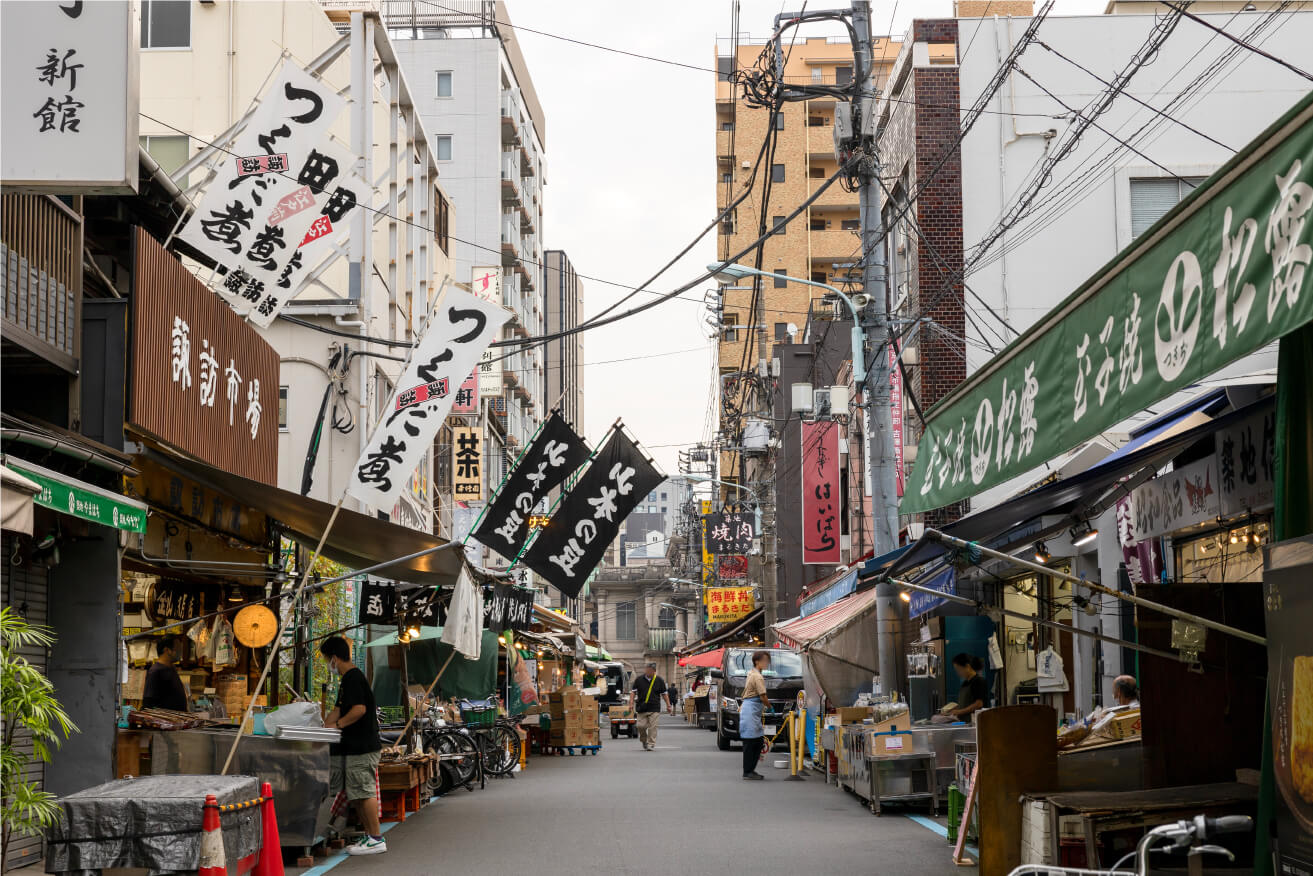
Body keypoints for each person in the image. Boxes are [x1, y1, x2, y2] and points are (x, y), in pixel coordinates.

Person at [320, 636, 385, 856]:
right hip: (354, 747)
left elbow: (359, 710)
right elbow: (339, 708)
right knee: (356, 793)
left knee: (364, 792)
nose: (327, 664)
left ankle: (376, 838)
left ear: (335, 658)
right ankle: (370, 836)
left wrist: (336, 725)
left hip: (362, 747)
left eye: (327, 659)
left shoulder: (354, 678)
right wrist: (324, 726)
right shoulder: (347, 680)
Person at [739, 650, 773, 780]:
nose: (766, 663)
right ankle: (748, 771)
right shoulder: (757, 676)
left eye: (767, 661)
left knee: (756, 741)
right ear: (757, 661)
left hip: (750, 709)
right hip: (751, 710)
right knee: (751, 742)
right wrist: (770, 707)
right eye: (764, 660)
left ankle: (750, 770)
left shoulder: (752, 673)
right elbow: (763, 696)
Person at [629, 663, 672, 750]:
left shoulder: (659, 680)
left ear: (654, 671)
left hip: (654, 707)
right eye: (647, 669)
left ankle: (651, 743)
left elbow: (664, 694)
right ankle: (644, 740)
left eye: (650, 670)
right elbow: (633, 692)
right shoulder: (639, 679)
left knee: (653, 726)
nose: (647, 671)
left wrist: (668, 705)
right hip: (641, 707)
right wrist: (631, 703)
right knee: (640, 726)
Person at [142, 635, 189, 712]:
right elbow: (148, 703)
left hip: (176, 721)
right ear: (167, 650)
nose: (180, 652)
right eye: (177, 648)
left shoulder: (171, 668)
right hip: (165, 722)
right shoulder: (155, 671)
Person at [946, 653, 989, 721]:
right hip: (964, 722)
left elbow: (978, 704)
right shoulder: (965, 683)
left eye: (959, 669)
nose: (958, 673)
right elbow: (966, 703)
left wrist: (959, 712)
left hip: (974, 722)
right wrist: (953, 710)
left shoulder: (979, 681)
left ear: (967, 667)